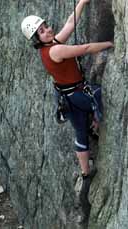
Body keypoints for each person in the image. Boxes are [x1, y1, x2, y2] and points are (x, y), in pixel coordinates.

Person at [21, 0, 113, 187]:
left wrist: (81, 2)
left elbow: (71, 23)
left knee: (80, 133)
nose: (47, 30)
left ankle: (85, 172)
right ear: (37, 39)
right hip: (77, 96)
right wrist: (109, 43)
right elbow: (85, 49)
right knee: (104, 94)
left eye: (45, 26)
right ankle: (96, 119)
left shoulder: (50, 47)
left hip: (67, 99)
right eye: (41, 31)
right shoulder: (56, 49)